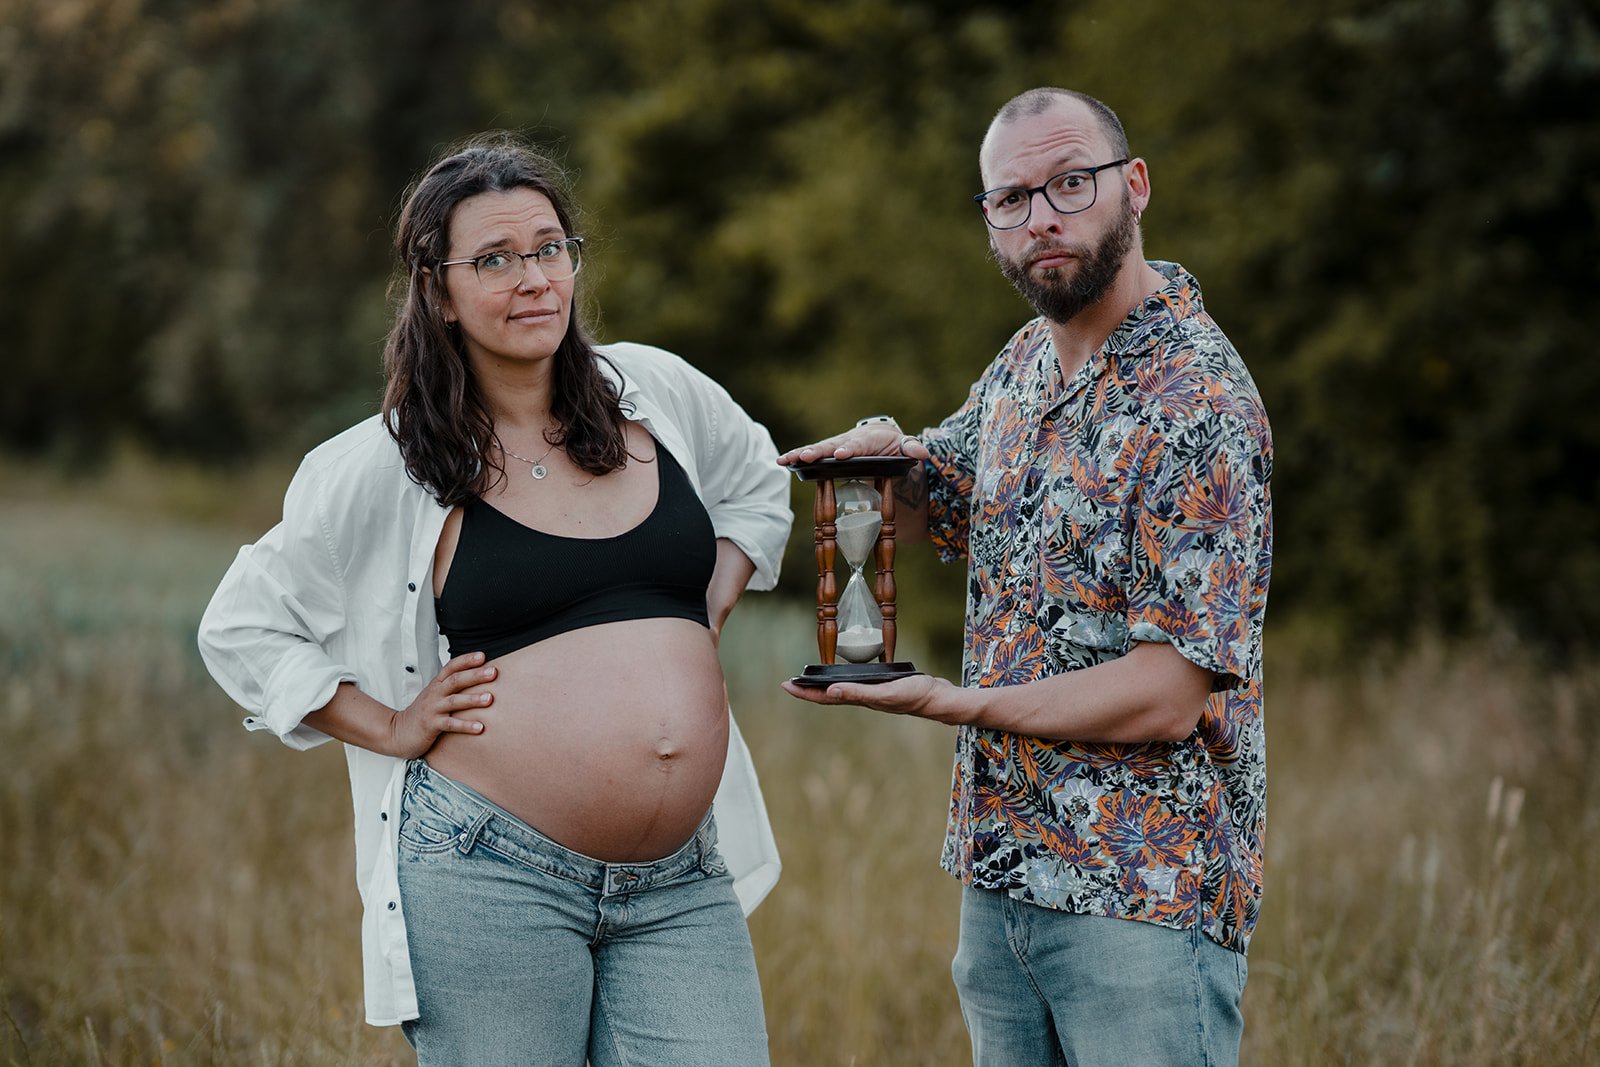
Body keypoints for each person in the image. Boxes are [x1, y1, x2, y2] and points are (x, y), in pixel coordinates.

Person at [199, 134, 790, 1066]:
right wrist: (390, 724)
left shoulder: (656, 393)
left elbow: (757, 481)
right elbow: (240, 623)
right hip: (488, 877)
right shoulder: (384, 463)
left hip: (679, 879)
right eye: (496, 260)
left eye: (550, 248)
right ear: (438, 290)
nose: (534, 280)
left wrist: (700, 613)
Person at [780, 87, 1273, 1066]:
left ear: (1132, 186)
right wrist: (883, 470)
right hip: (1001, 878)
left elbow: (1168, 693)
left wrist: (955, 702)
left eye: (1067, 183)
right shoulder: (1022, 367)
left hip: (1139, 890)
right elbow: (953, 499)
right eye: (1009, 198)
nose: (1040, 216)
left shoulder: (1198, 397)